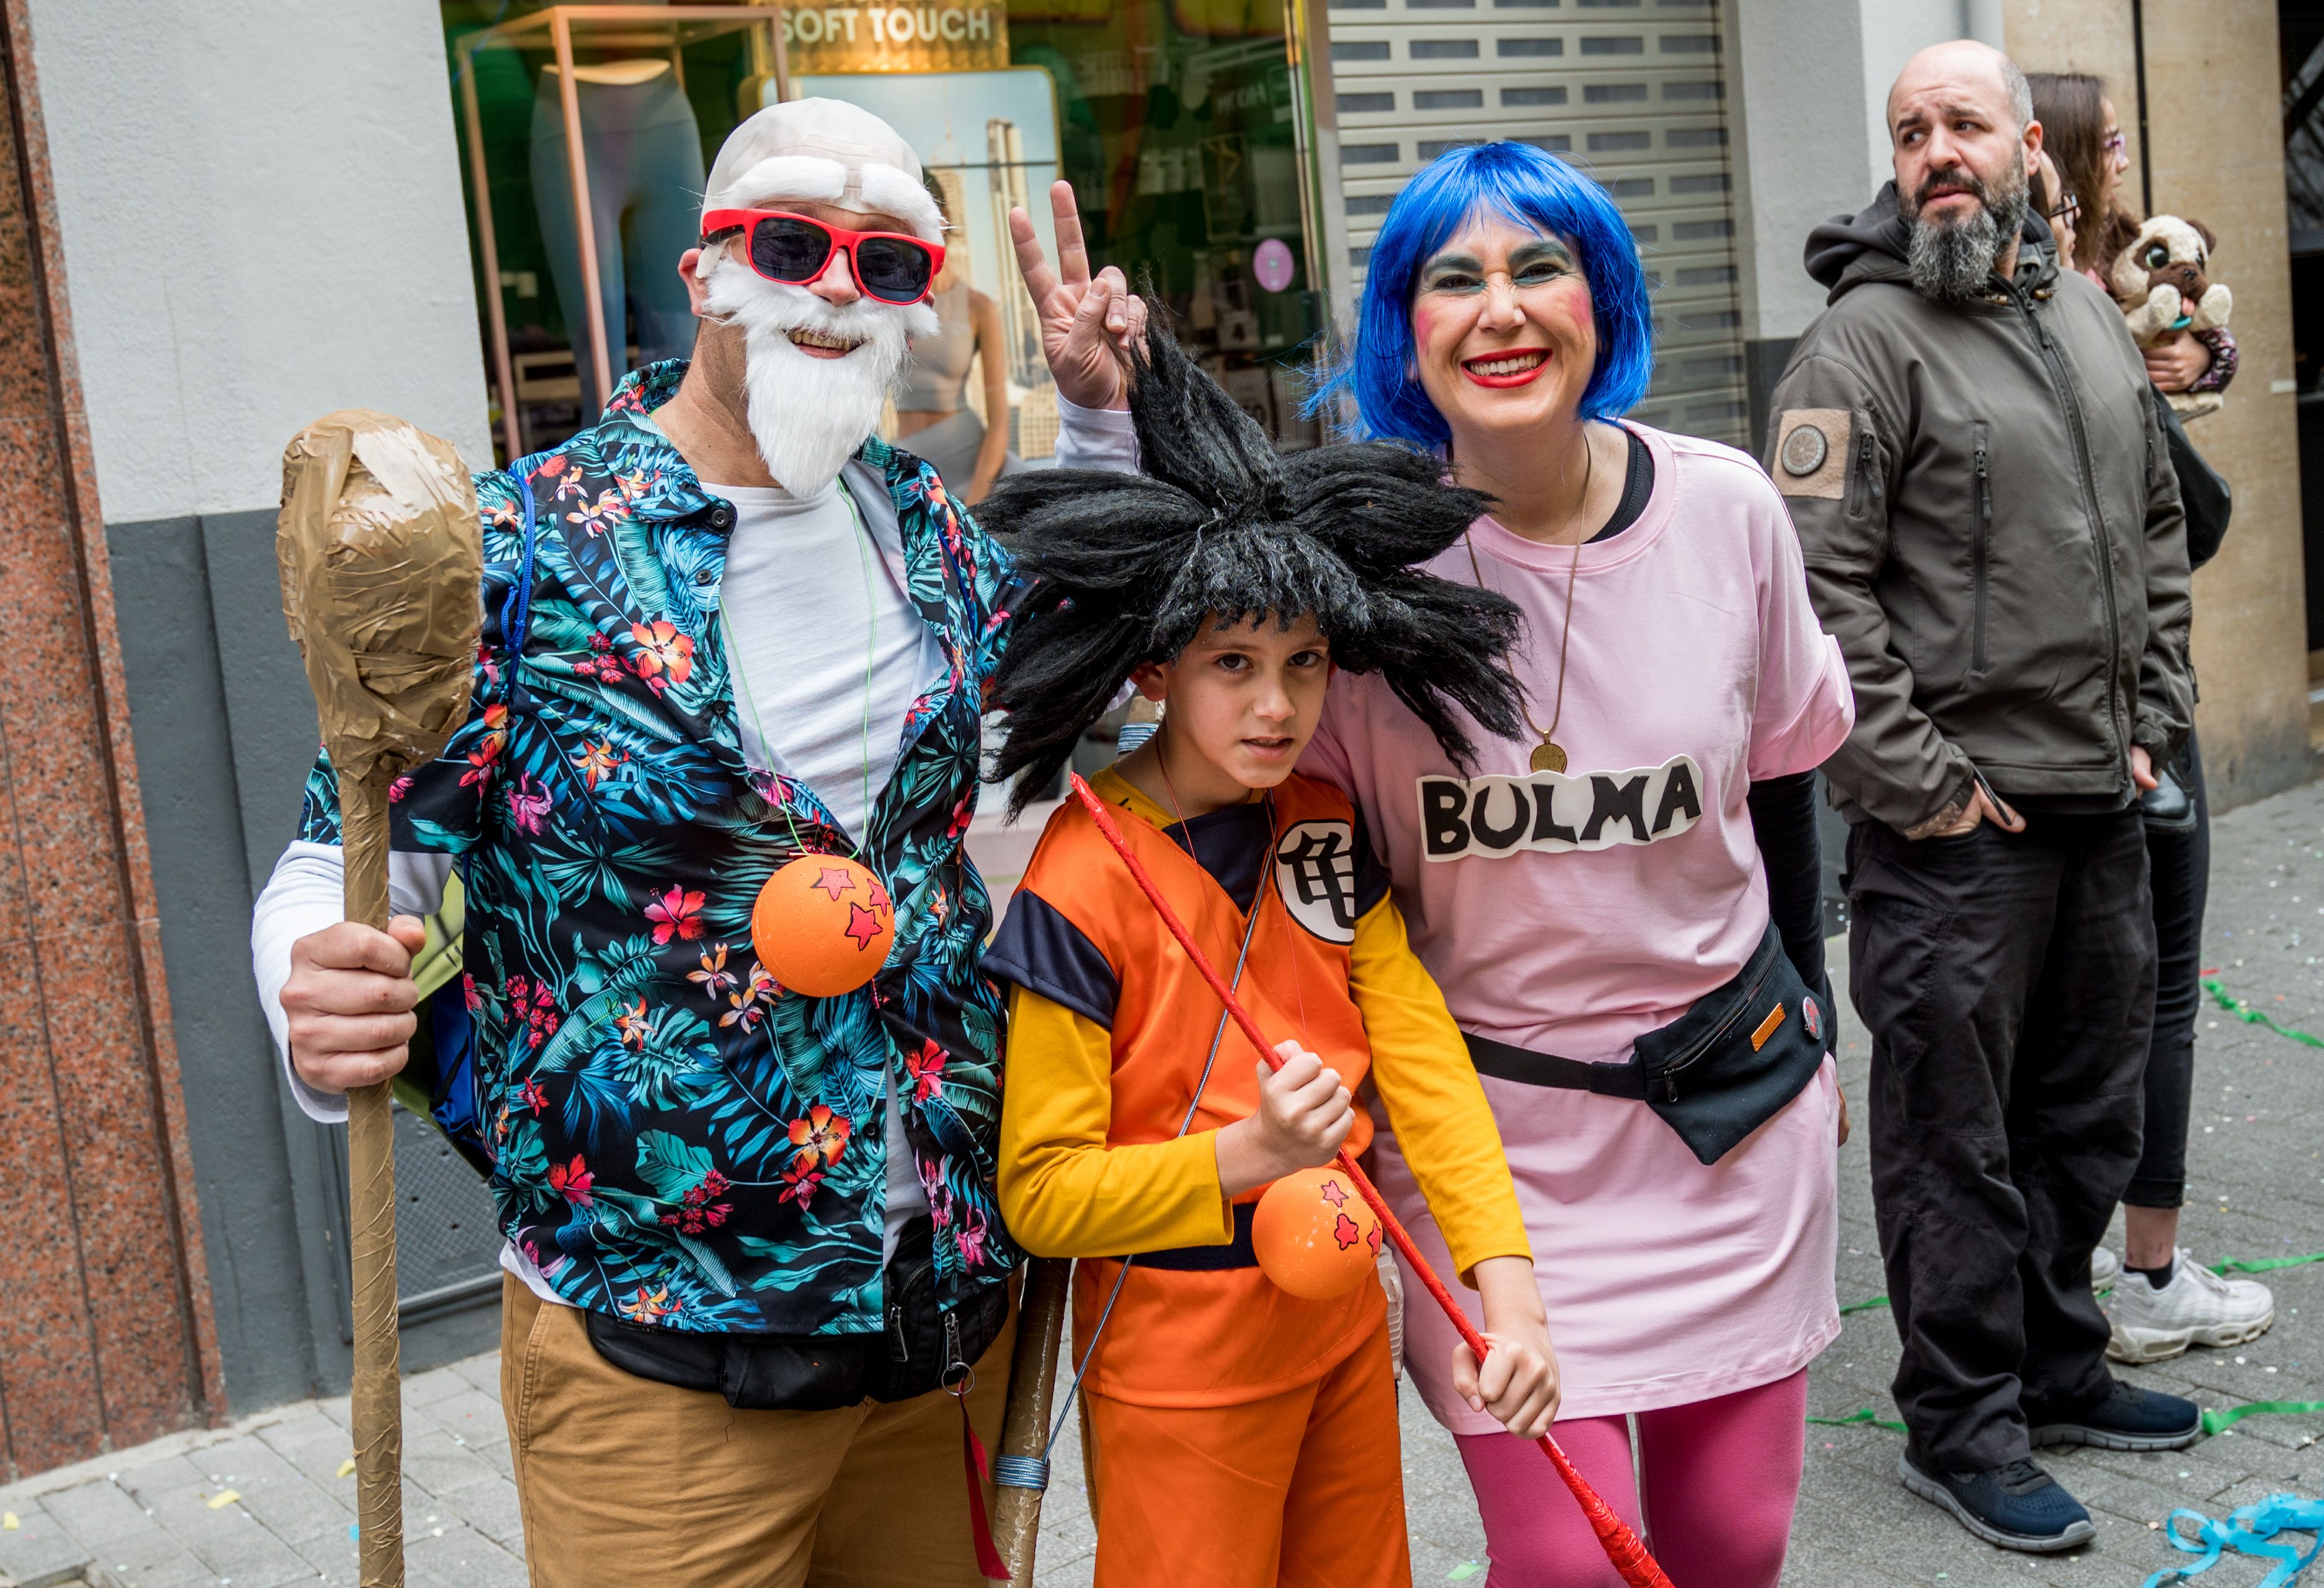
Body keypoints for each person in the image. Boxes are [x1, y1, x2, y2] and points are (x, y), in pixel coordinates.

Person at [251, 98, 1147, 1586]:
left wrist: (1103, 419)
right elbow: (337, 857)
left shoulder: (923, 526)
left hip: (936, 1311)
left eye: (889, 262)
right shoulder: (520, 550)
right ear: (702, 275)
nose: (839, 290)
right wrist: (314, 976)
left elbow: (1086, 684)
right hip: (660, 1348)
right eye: (795, 245)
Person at [1240, 138, 1850, 1588]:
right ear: (1406, 329)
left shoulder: (1725, 514)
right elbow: (1271, 806)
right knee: (1573, 1561)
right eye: (1454, 279)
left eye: (1539, 269)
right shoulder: (1359, 580)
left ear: (1603, 304)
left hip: (1729, 1119)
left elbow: (1782, 780)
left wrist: (1815, 1022)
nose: (1500, 309)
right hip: (1488, 1154)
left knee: (1730, 1541)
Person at [978, 323, 1558, 1588]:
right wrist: (1248, 1155)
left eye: (1301, 664)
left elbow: (1422, 1062)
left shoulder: (1320, 821)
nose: (1274, 704)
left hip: (1343, 1317)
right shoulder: (1077, 876)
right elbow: (1040, 1191)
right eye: (1230, 664)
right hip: (1174, 1356)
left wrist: (1501, 1287)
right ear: (1153, 669)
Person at [1770, 40, 2202, 1553]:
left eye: (1963, 124)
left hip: (2095, 799)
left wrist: (2153, 713)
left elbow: (2152, 524)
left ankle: (2058, 1363)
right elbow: (1816, 604)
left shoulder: (2084, 310)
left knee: (2081, 1114)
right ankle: (1959, 1420)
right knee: (1955, 1140)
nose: (1936, 150)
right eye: (1909, 131)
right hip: (1955, 832)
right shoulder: (1858, 346)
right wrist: (1923, 785)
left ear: (2028, 146)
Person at [2024, 131, 2274, 1362]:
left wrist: (2191, 356)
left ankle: (2065, 1269)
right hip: (2123, 723)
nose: (2125, 151)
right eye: (2101, 137)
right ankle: (2146, 1272)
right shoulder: (2067, 328)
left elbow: (2207, 360)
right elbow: (2203, 517)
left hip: (2076, 715)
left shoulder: (2091, 316)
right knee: (2146, 990)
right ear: (2059, 174)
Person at [2028, 71, 2238, 402]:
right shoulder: (2028, 271)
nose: (2124, 163)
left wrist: (2204, 356)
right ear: (2070, 155)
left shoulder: (2113, 240)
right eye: (2111, 146)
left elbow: (2192, 304)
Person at [895, 171, 1014, 503]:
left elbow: (1000, 425)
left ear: (943, 219)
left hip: (973, 466)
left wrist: (976, 506)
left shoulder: (979, 306)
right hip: (910, 469)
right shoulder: (887, 303)